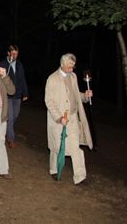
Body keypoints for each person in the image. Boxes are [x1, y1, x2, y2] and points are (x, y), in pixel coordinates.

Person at [44, 53, 93, 185]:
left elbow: (75, 95)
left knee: (75, 146)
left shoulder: (73, 77)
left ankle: (80, 176)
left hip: (72, 118)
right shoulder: (52, 79)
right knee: (57, 146)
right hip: (59, 119)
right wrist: (59, 118)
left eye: (73, 67)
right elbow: (49, 101)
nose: (72, 70)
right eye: (69, 67)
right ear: (62, 65)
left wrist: (85, 96)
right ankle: (54, 169)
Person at [0, 45, 29, 148]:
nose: (15, 55)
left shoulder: (19, 64)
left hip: (17, 95)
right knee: (10, 117)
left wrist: (25, 93)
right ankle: (11, 139)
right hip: (7, 95)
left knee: (15, 115)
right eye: (13, 53)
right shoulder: (2, 64)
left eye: (16, 53)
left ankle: (6, 129)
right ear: (8, 53)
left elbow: (22, 79)